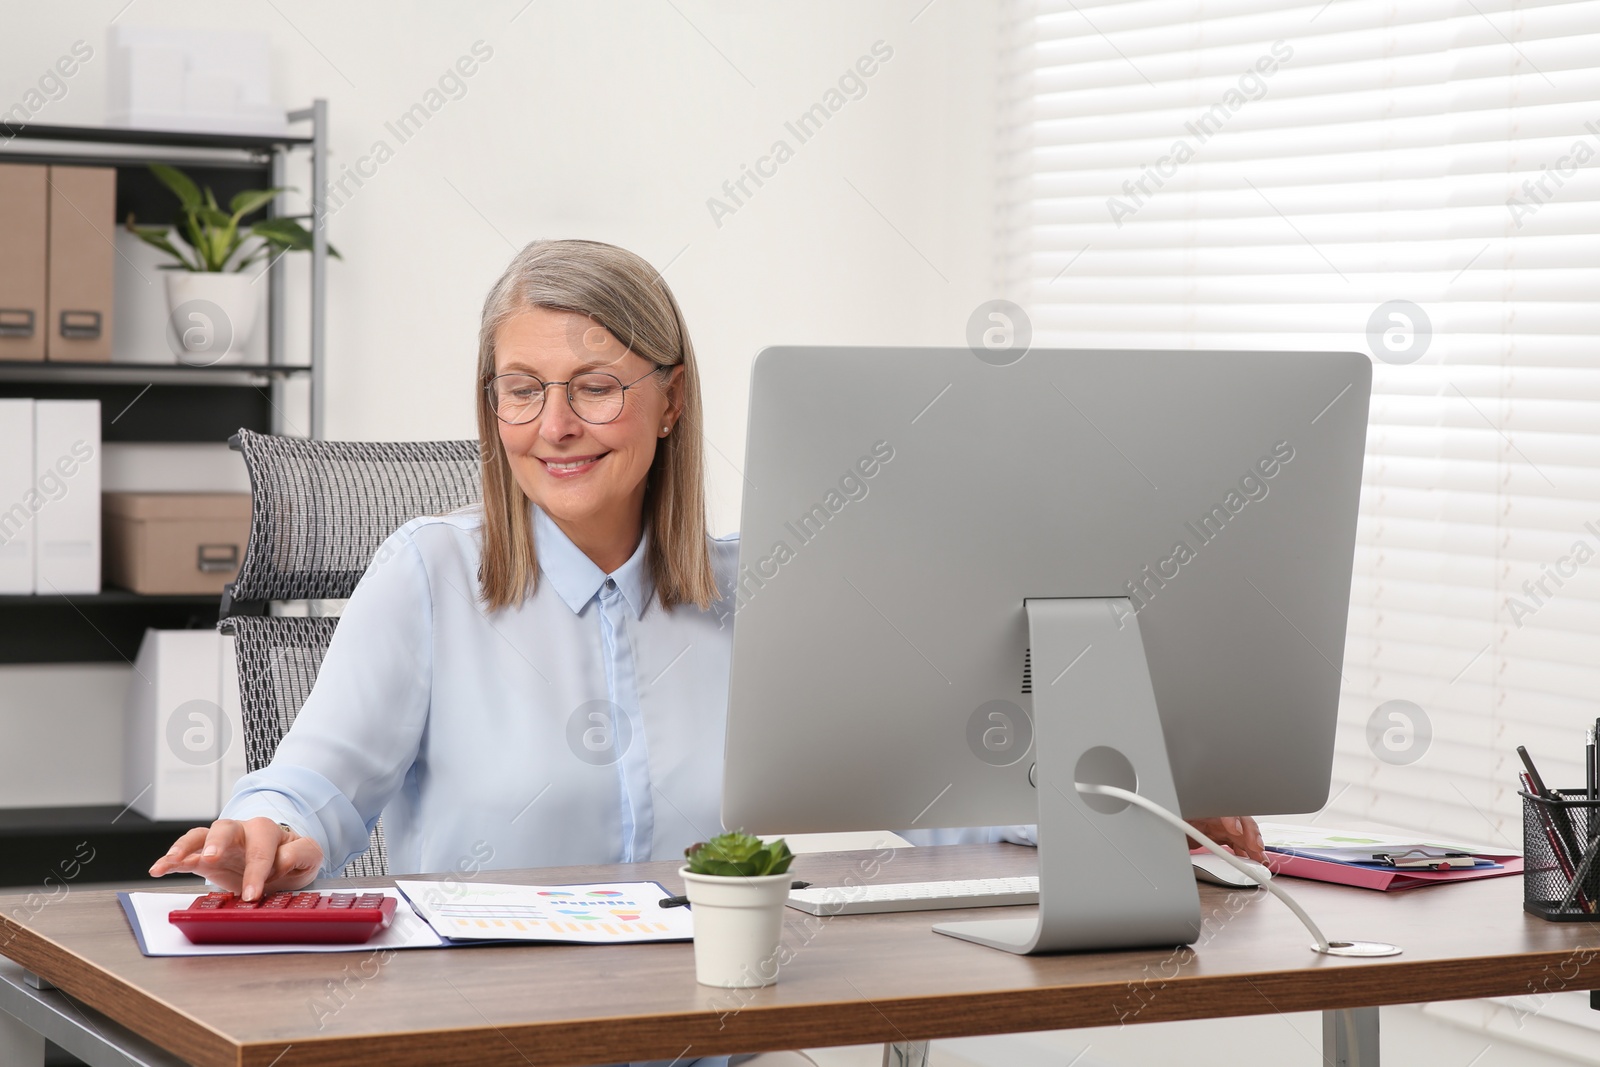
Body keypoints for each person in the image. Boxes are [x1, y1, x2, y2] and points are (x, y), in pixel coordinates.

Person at [148, 238, 1264, 1066]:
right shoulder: (427, 572)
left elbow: (927, 786)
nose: (554, 425)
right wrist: (269, 830)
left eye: (594, 385)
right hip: (487, 1046)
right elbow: (318, 782)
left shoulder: (758, 588)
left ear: (671, 397)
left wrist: (1131, 802)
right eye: (521, 389)